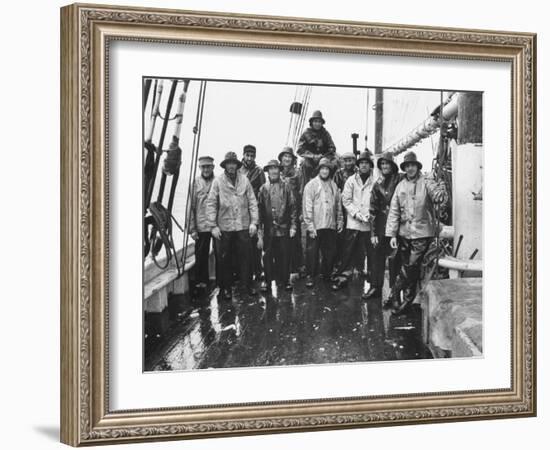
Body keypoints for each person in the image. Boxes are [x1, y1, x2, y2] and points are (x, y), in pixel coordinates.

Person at [385, 151, 447, 314]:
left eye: (412, 165)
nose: (410, 169)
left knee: (411, 266)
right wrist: (392, 234)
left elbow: (439, 198)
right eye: (407, 166)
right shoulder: (400, 186)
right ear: (404, 168)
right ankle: (407, 300)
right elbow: (394, 211)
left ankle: (394, 292)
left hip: (422, 233)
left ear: (417, 166)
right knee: (409, 268)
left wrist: (441, 189)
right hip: (404, 233)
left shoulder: (427, 181)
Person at [205, 151, 259, 300]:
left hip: (243, 225)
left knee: (246, 258)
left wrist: (254, 222)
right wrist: (213, 226)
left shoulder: (245, 180)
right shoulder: (218, 181)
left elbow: (253, 202)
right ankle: (225, 289)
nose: (231, 166)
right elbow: (211, 204)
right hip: (225, 227)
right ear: (225, 165)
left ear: (237, 165)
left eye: (233, 164)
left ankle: (247, 286)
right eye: (228, 164)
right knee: (224, 259)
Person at [331, 151, 376, 290]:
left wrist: (370, 214)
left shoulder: (375, 181)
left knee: (371, 252)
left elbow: (377, 200)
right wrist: (356, 214)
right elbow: (346, 200)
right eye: (361, 163)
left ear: (370, 166)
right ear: (358, 165)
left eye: (366, 163)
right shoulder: (351, 180)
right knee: (348, 250)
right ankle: (343, 276)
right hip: (354, 222)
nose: (363, 165)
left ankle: (372, 279)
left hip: (369, 223)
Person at [364, 151, 404, 300]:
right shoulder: (377, 184)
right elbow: (372, 209)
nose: (385, 166)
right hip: (380, 226)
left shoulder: (401, 179)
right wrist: (373, 233)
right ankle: (375, 287)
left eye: (387, 163)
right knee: (376, 258)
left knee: (395, 260)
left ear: (393, 165)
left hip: (396, 226)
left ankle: (394, 292)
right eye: (382, 164)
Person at [302, 157, 343, 288]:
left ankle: (327, 274)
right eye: (323, 168)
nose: (325, 171)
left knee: (329, 252)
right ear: (319, 170)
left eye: (327, 169)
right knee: (312, 252)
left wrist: (340, 221)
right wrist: (310, 225)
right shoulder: (311, 185)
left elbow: (338, 205)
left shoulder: (334, 185)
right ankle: (310, 276)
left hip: (330, 225)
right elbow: (307, 206)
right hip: (316, 225)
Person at [257, 159, 298, 293]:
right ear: (268, 171)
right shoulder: (263, 189)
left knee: (284, 255)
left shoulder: (286, 187)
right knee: (267, 256)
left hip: (284, 228)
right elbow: (259, 211)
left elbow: (292, 208)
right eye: (271, 169)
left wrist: (293, 226)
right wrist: (260, 232)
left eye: (276, 168)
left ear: (279, 171)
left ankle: (285, 281)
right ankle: (267, 282)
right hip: (269, 230)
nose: (273, 171)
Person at [188, 156, 215, 295]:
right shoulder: (195, 183)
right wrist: (192, 229)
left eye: (208, 167)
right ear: (200, 168)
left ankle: (220, 281)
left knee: (222, 254)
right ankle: (201, 282)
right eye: (203, 167)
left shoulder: (218, 182)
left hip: (217, 225)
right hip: (201, 225)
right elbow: (190, 207)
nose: (205, 169)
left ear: (213, 167)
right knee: (201, 255)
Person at [239, 144, 265, 283]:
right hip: (241, 210)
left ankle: (258, 270)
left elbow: (263, 191)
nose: (249, 158)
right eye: (247, 155)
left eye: (252, 156)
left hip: (255, 209)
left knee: (256, 242)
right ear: (243, 155)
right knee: (243, 242)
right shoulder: (238, 170)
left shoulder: (259, 171)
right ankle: (244, 272)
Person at [278, 146, 304, 276]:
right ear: (281, 159)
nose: (287, 159)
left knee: (296, 239)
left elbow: (302, 191)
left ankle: (298, 266)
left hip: (294, 210)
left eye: (289, 157)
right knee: (282, 241)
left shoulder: (298, 173)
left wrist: (301, 212)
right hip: (281, 211)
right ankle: (283, 268)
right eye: (285, 156)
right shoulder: (277, 172)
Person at [297, 110, 338, 189]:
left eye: (319, 122)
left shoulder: (325, 133)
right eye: (315, 121)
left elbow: (332, 147)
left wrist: (324, 157)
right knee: (305, 165)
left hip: (323, 159)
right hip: (310, 159)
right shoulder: (306, 133)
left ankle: (331, 187)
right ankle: (305, 188)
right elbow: (300, 149)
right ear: (312, 122)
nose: (317, 124)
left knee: (334, 164)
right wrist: (312, 156)